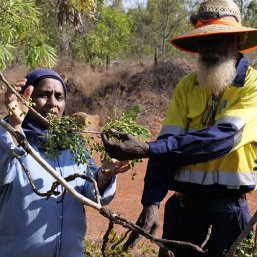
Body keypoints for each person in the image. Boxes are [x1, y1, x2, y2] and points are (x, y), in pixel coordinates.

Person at [101, 0, 257, 256]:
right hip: (181, 213)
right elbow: (168, 145)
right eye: (203, 40)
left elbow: (221, 139)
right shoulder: (187, 87)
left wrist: (147, 148)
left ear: (237, 40)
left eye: (219, 38)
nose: (208, 47)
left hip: (228, 216)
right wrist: (151, 201)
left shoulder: (252, 87)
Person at [0, 68, 128, 257]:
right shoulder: (7, 139)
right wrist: (15, 127)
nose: (52, 102)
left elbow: (93, 195)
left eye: (59, 97)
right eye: (44, 94)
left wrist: (103, 177)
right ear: (26, 98)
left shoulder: (73, 143)